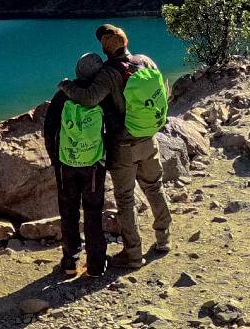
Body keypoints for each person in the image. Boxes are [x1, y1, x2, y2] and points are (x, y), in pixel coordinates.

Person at [57, 24, 171, 268]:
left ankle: (133, 255)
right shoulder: (144, 61)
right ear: (126, 42)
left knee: (126, 200)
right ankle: (163, 239)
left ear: (105, 49)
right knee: (154, 188)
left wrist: (67, 86)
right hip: (149, 138)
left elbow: (88, 99)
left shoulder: (109, 73)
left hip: (124, 146)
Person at [43, 53, 111, 277]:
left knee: (69, 211)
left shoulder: (61, 97)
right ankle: (96, 265)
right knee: (93, 211)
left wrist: (56, 160)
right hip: (93, 167)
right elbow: (111, 131)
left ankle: (70, 261)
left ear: (78, 72)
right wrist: (104, 160)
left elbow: (49, 131)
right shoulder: (102, 96)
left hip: (66, 166)